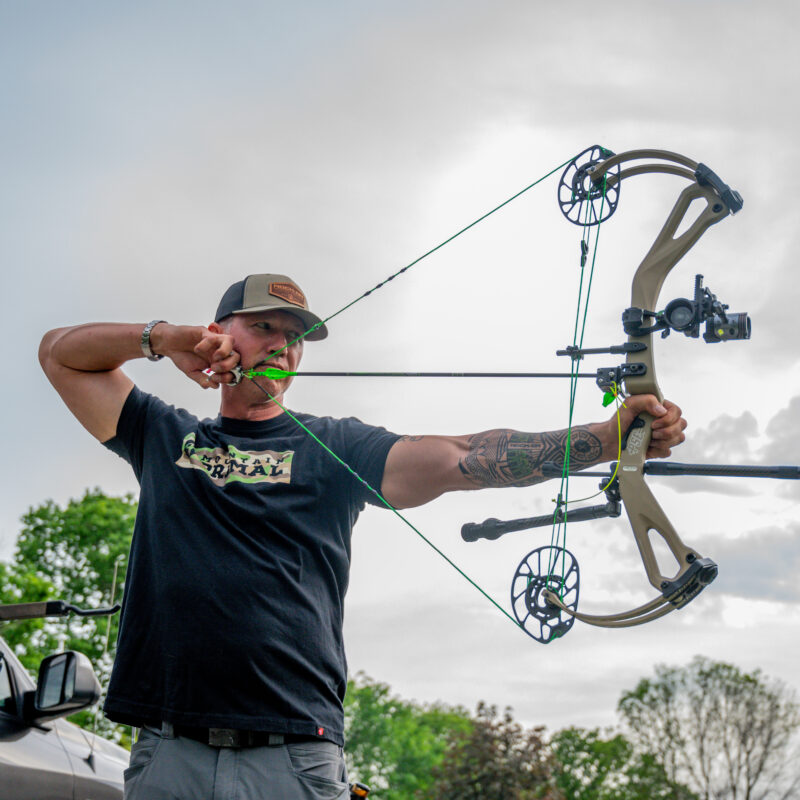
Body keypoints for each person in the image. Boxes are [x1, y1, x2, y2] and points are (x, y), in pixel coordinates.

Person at [39, 273, 687, 800]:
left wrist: (606, 439)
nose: (282, 346)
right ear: (221, 332)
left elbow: (461, 456)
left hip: (291, 758)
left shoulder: (334, 446)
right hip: (167, 755)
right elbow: (60, 354)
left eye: (295, 337)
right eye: (264, 325)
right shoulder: (164, 435)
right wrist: (165, 338)